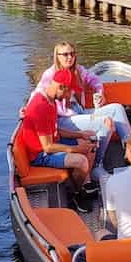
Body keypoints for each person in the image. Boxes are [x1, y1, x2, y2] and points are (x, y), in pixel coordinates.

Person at [36, 42, 131, 166]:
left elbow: (95, 80)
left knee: (117, 108)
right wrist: (25, 109)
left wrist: (100, 92)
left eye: (72, 54)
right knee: (105, 122)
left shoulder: (79, 70)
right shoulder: (50, 74)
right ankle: (97, 164)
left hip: (79, 111)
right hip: (64, 119)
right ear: (57, 56)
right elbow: (38, 93)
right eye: (65, 54)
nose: (70, 57)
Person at [20, 68, 95, 208]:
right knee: (82, 161)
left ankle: (81, 184)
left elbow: (55, 131)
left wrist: (81, 134)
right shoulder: (40, 107)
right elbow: (47, 147)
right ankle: (75, 195)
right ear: (62, 87)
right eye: (69, 92)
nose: (69, 97)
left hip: (52, 143)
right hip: (40, 155)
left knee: (90, 145)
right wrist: (76, 149)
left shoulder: (51, 100)